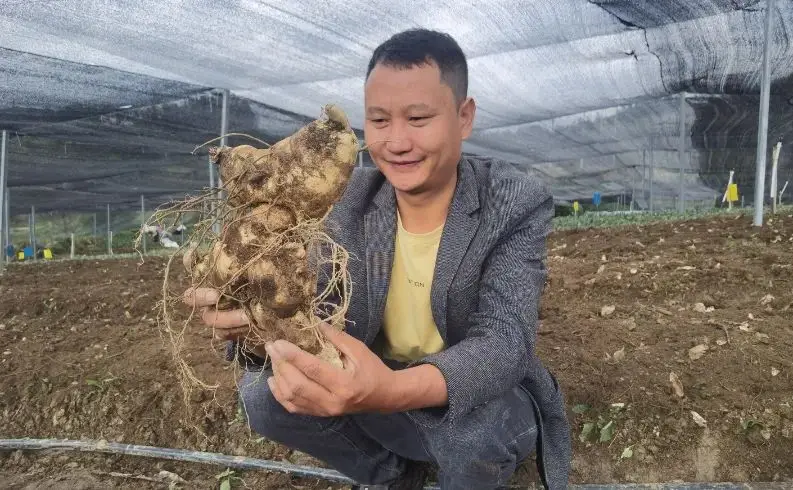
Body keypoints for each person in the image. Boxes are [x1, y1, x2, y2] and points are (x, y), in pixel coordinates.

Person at [185, 28, 571, 490]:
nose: (397, 142)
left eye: (418, 118)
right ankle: (394, 477)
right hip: (373, 382)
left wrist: (389, 390)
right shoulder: (348, 203)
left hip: (473, 398)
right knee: (262, 395)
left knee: (478, 437)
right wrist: (254, 320)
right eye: (380, 121)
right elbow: (313, 310)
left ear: (464, 117)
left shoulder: (512, 201)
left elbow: (504, 344)